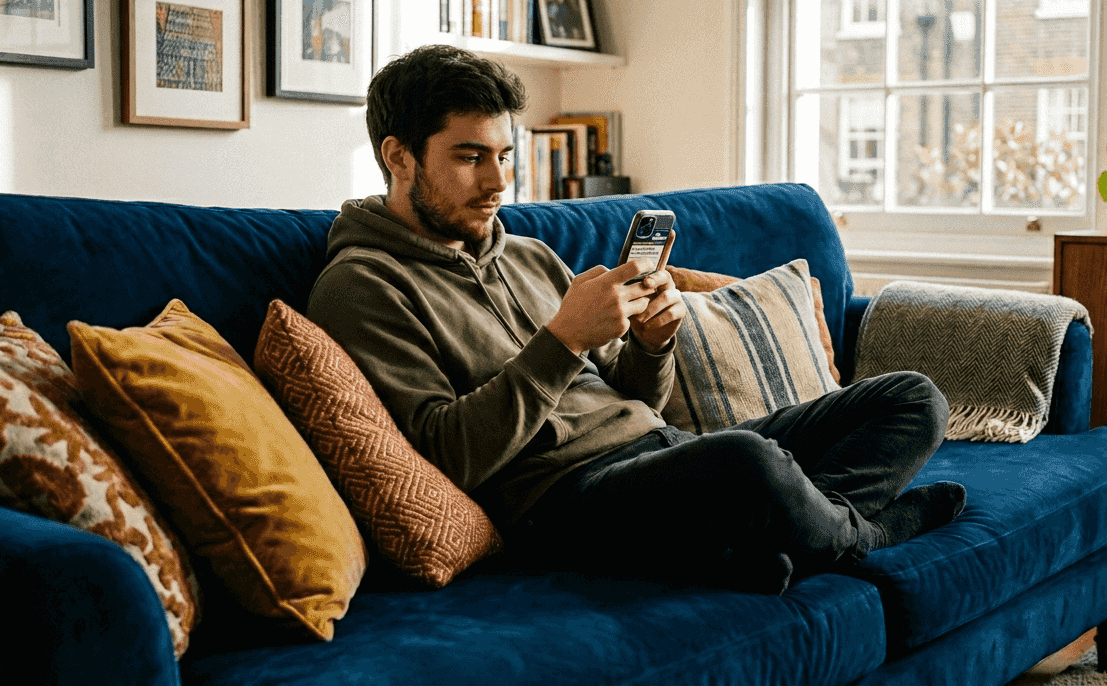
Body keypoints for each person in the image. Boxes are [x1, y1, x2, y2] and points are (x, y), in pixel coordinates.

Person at [308, 45, 965, 594]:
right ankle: (864, 532)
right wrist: (562, 341)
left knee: (913, 399)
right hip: (568, 501)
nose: (499, 182)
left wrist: (651, 345)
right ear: (398, 157)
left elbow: (634, 400)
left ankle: (782, 536)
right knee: (748, 462)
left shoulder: (528, 255)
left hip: (661, 453)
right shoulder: (363, 286)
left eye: (505, 155)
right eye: (470, 156)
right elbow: (447, 456)